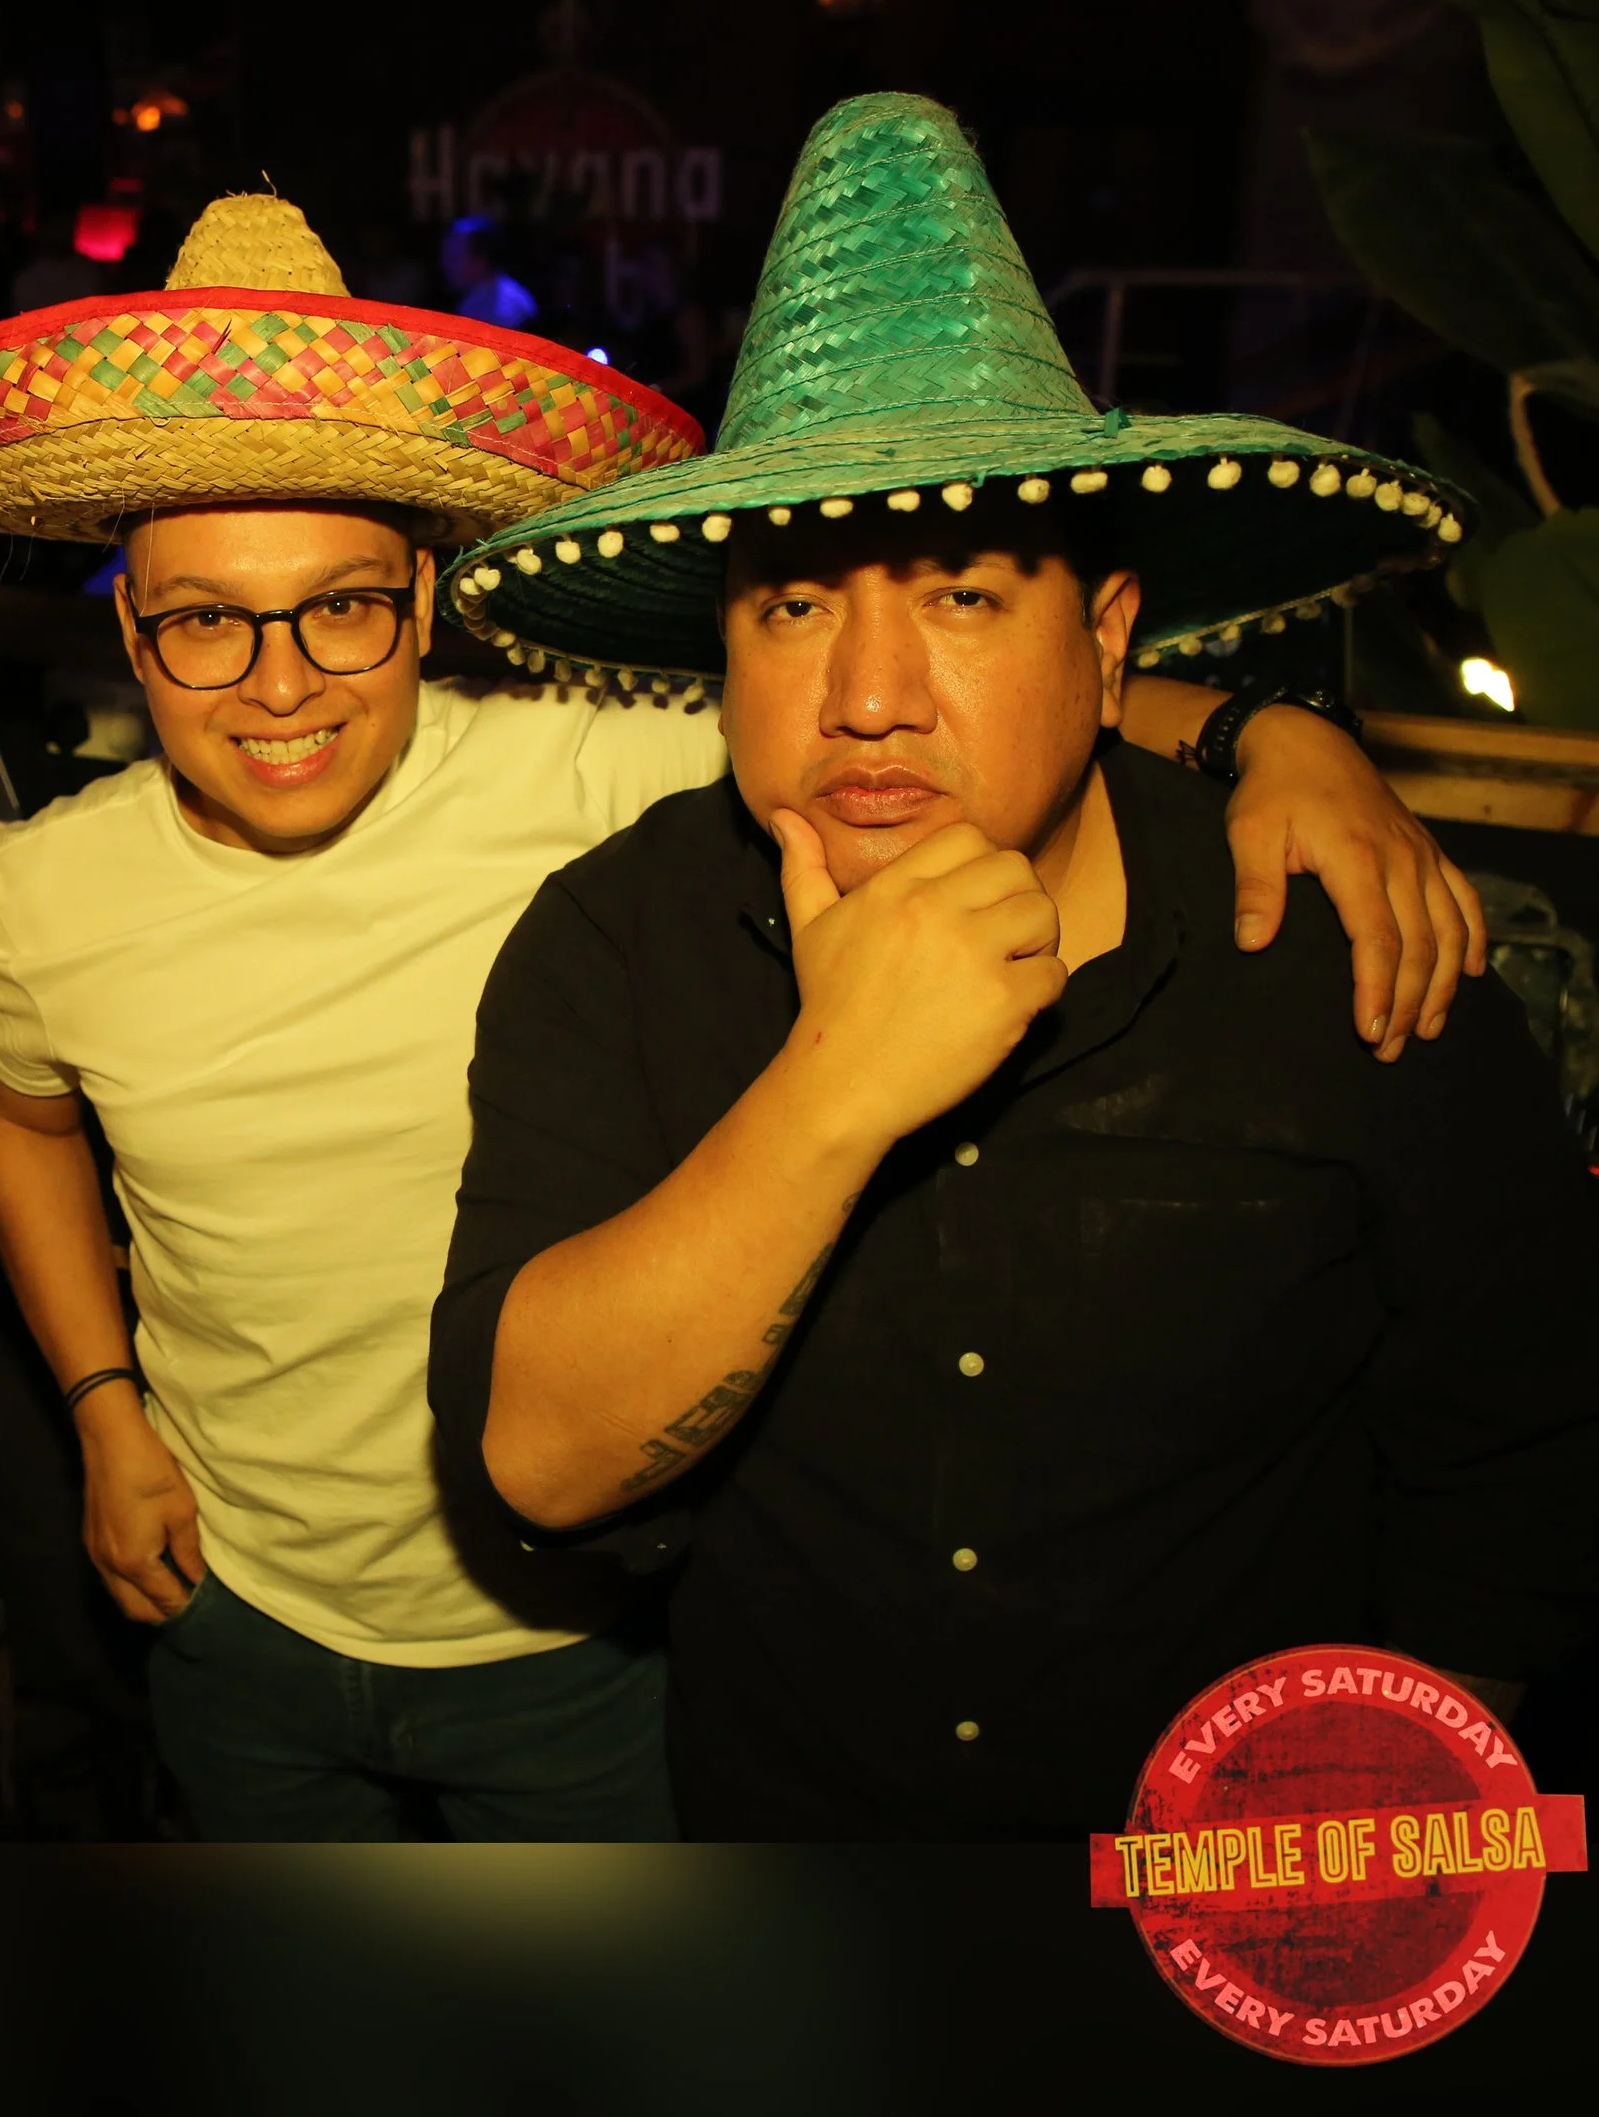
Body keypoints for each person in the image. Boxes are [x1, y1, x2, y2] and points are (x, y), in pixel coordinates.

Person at [0, 186, 1484, 1840]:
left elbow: (917, 711)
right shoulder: (47, 890)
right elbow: (23, 1116)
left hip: (576, 1636)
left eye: (341, 603)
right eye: (204, 620)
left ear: (423, 602)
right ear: (130, 628)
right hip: (233, 1602)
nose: (279, 682)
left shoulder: (593, 777)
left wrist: (1270, 739)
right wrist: (100, 1408)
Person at [431, 91, 1598, 1839]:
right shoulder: (617, 938)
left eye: (962, 598)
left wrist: (1393, 1818)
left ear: (1111, 637)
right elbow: (538, 1463)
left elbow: (1527, 1441)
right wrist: (835, 1088)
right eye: (795, 607)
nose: (870, 693)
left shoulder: (1339, 931)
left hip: (1253, 1860)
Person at [441, 215, 538, 328]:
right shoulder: (476, 299)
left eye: (453, 257)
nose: (444, 264)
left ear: (480, 261)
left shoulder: (500, 311)